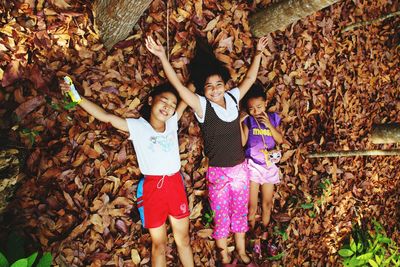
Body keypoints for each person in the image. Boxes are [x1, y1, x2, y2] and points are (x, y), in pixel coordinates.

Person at [146, 35, 268, 266]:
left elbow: (251, 77)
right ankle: (224, 254)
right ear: (203, 90)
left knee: (239, 212)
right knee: (222, 216)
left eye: (218, 85)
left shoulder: (232, 98)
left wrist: (258, 53)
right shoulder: (203, 106)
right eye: (209, 87)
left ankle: (241, 250)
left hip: (240, 170)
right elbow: (181, 90)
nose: (214, 90)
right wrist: (162, 56)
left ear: (225, 84)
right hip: (219, 173)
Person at [59, 81, 194, 267]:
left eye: (172, 105)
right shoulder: (138, 127)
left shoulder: (172, 122)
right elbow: (106, 117)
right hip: (153, 189)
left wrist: (195, 81)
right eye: (164, 101)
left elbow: (187, 95)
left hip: (174, 185)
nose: (168, 107)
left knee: (184, 239)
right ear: (150, 100)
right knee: (159, 245)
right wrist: (77, 97)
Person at [240, 83, 283, 233]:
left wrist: (269, 126)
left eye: (259, 106)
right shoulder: (248, 120)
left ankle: (263, 233)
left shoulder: (273, 118)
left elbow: (280, 139)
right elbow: (243, 142)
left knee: (267, 203)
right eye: (251, 108)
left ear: (265, 103)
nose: (255, 111)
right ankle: (250, 235)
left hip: (269, 165)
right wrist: (239, 122)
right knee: (251, 206)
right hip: (253, 165)